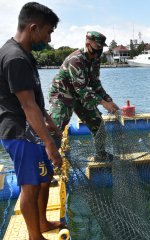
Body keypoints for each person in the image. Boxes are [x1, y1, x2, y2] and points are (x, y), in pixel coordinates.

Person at [0, 2, 65, 239]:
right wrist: (49, 144)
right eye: (48, 32)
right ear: (34, 28)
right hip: (19, 133)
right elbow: (27, 105)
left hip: (33, 130)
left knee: (44, 179)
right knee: (30, 185)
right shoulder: (14, 57)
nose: (48, 39)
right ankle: (34, 236)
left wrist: (50, 123)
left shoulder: (25, 54)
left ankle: (42, 223)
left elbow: (35, 99)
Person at [49, 31, 119, 161]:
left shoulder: (95, 59)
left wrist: (108, 99)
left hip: (81, 94)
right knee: (56, 128)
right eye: (98, 47)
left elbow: (95, 83)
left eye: (101, 47)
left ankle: (101, 154)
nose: (100, 50)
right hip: (63, 94)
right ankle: (49, 161)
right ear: (88, 43)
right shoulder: (76, 59)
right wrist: (103, 103)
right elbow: (81, 89)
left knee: (98, 123)